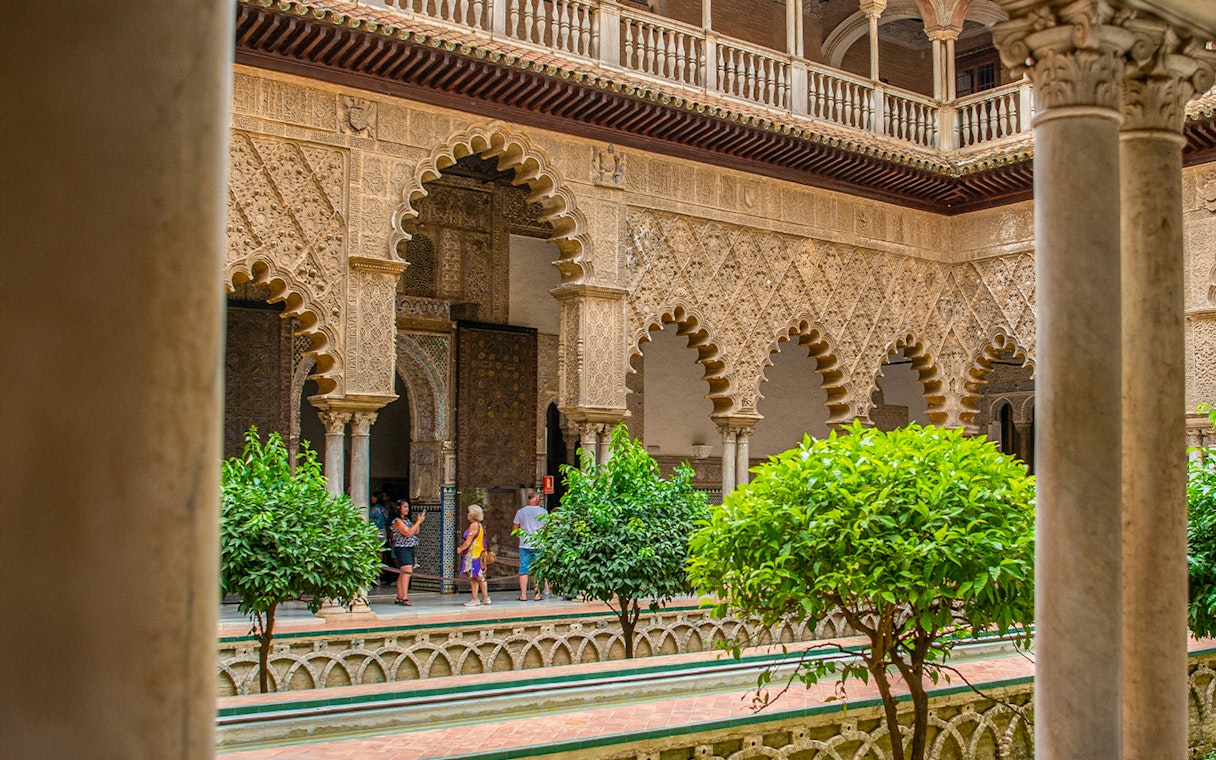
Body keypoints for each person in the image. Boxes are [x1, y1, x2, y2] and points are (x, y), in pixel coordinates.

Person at [512, 490, 549, 601]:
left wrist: (521, 536)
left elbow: (514, 528)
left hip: (524, 544)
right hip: (539, 544)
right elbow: (548, 529)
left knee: (523, 570)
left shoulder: (520, 512)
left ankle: (523, 595)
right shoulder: (544, 512)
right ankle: (537, 595)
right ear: (537, 498)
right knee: (538, 570)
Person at [388, 499, 424, 606]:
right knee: (407, 572)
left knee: (403, 572)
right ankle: (404, 597)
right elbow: (408, 532)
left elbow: (415, 531)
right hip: (402, 548)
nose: (407, 509)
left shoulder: (406, 520)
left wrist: (418, 522)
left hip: (409, 547)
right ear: (399, 508)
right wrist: (418, 522)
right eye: (405, 507)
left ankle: (399, 596)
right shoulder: (397, 521)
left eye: (408, 507)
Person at [456, 504, 490, 607]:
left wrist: (460, 549)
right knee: (479, 577)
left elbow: (468, 541)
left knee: (475, 577)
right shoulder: (480, 525)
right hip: (480, 553)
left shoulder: (474, 525)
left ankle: (476, 599)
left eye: (468, 512)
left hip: (473, 554)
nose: (467, 514)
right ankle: (484, 597)